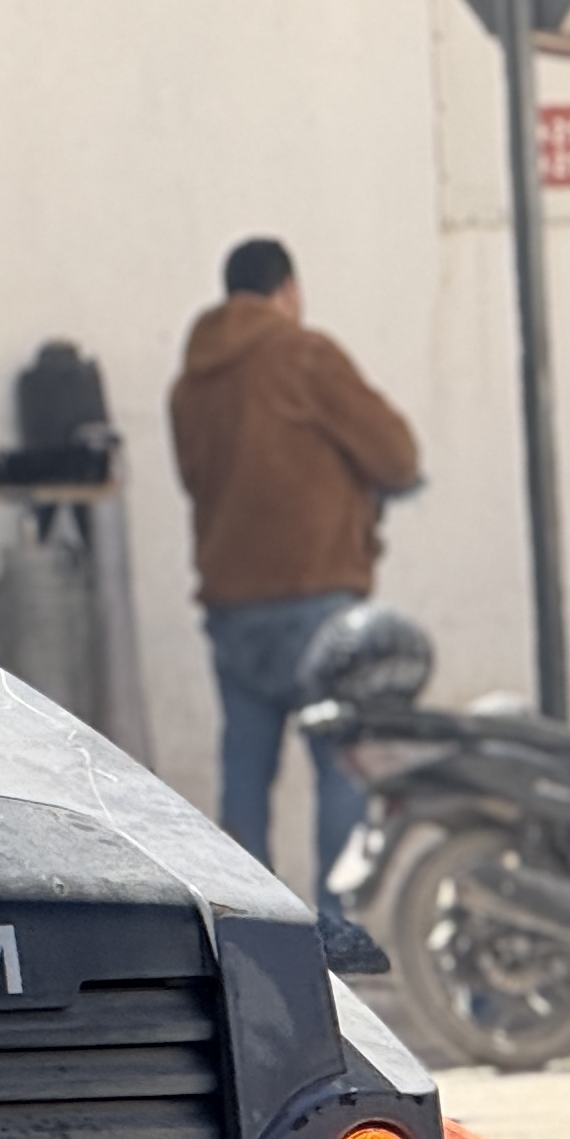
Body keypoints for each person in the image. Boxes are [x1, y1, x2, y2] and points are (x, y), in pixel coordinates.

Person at [170, 237, 421, 914]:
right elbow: (396, 455)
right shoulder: (304, 355)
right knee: (341, 770)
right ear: (287, 291)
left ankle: (249, 934)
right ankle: (334, 937)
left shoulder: (191, 384)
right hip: (316, 600)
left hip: (231, 606)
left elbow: (195, 480)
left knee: (245, 775)